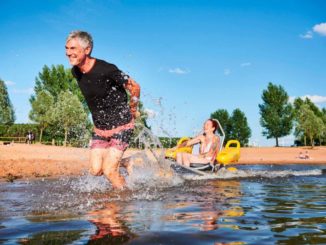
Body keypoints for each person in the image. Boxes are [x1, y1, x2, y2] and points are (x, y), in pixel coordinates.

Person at [65, 31, 140, 189]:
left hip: (121, 125)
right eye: (67, 48)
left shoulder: (106, 69)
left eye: (73, 48)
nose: (68, 53)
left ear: (87, 50)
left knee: (109, 171)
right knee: (95, 170)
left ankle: (122, 208)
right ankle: (126, 162)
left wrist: (133, 108)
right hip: (100, 129)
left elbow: (134, 87)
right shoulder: (76, 71)